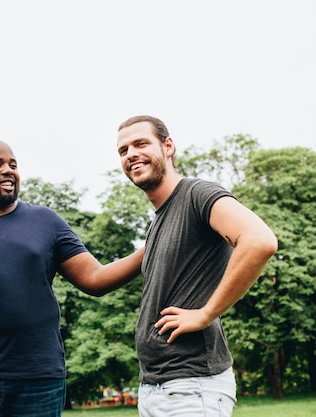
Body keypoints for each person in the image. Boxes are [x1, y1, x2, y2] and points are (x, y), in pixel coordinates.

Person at [0, 139, 144, 417]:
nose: (8, 170)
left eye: (13, 165)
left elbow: (95, 279)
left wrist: (150, 247)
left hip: (38, 379)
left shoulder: (46, 222)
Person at [116, 115, 278, 417]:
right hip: (156, 387)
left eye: (140, 143)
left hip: (192, 387)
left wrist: (206, 314)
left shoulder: (196, 195)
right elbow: (99, 278)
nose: (131, 154)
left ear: (168, 146)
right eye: (123, 150)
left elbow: (259, 241)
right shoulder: (160, 220)